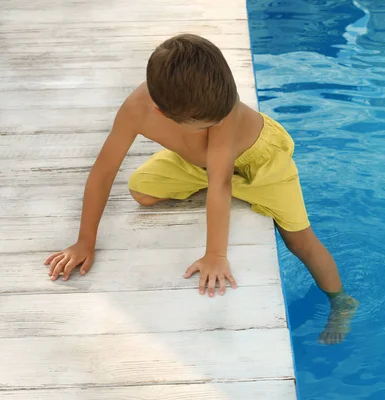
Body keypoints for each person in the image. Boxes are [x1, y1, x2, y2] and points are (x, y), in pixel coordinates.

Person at [43, 34, 358, 344]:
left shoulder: (222, 110)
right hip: (202, 165)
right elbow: (103, 172)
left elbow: (219, 186)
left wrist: (215, 255)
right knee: (142, 191)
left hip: (262, 163)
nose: (217, 121)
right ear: (163, 113)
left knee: (299, 240)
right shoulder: (135, 110)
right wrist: (85, 241)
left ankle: (342, 302)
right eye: (206, 124)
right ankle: (234, 191)